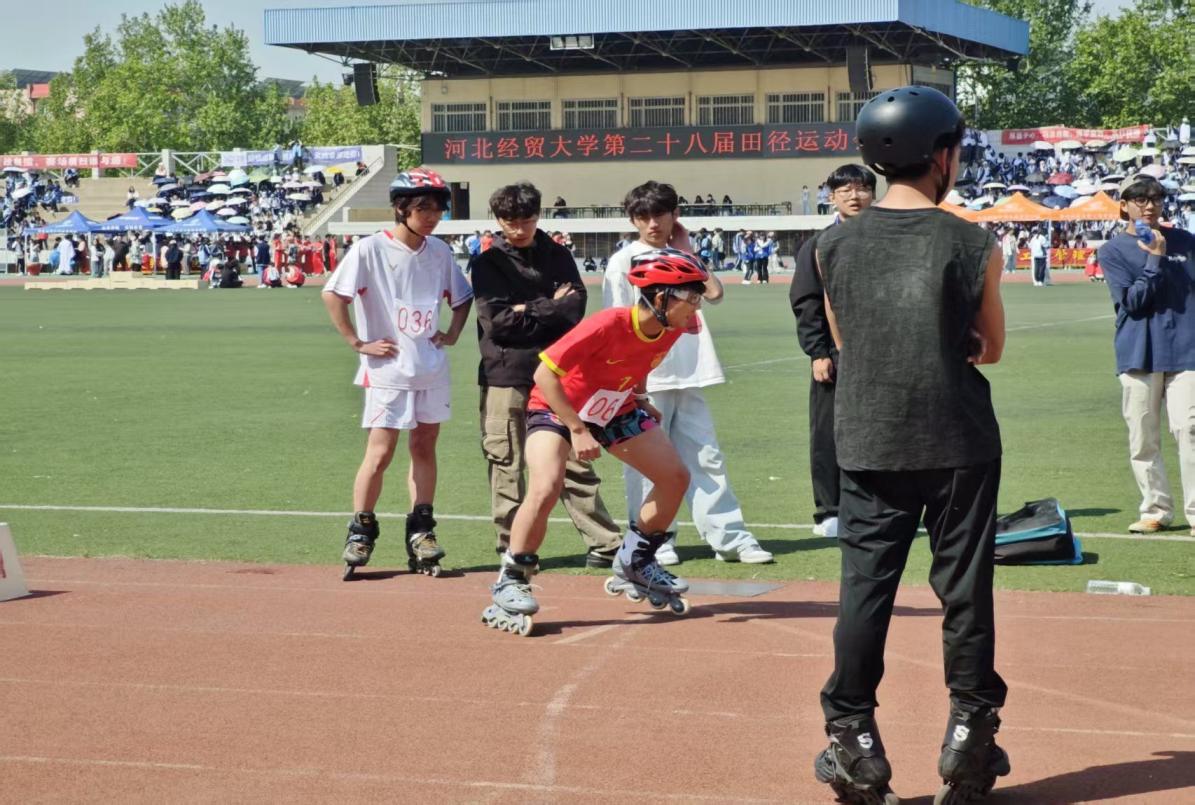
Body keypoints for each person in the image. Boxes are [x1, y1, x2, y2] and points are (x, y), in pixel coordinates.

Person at [812, 86, 1009, 804]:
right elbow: (991, 346)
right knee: (964, 590)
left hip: (868, 436)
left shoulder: (831, 244)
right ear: (941, 155)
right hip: (958, 437)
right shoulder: (972, 241)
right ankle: (970, 733)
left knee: (865, 590)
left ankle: (853, 736)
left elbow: (845, 339)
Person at [481, 248, 707, 636]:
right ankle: (512, 577)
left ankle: (636, 560)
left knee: (674, 477)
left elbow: (642, 360)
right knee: (546, 486)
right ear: (659, 298)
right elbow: (544, 375)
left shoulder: (675, 327)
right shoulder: (607, 324)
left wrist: (640, 397)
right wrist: (577, 429)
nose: (696, 305)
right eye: (690, 296)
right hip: (558, 408)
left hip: (614, 407)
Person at [604, 181, 772, 565]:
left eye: (659, 214)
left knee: (707, 457)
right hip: (647, 378)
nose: (652, 224)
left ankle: (730, 537)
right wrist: (630, 383)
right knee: (647, 463)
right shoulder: (623, 261)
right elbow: (616, 323)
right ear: (632, 220)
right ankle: (653, 539)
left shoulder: (684, 256)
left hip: (691, 370)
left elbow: (714, 293)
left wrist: (686, 250)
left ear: (674, 215)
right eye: (643, 216)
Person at [322, 167, 473, 580]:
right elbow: (334, 294)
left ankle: (421, 530)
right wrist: (357, 342)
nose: (432, 217)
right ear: (401, 208)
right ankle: (361, 530)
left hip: (431, 368)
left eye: (437, 209)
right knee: (381, 452)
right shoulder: (370, 249)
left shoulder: (439, 252)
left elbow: (462, 297)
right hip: (388, 369)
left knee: (424, 447)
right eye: (423, 209)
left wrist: (452, 333)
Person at [470, 181, 624, 567]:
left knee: (574, 459)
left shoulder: (558, 254)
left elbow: (575, 310)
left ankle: (605, 543)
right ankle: (513, 548)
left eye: (526, 220)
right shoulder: (487, 263)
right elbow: (498, 324)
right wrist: (547, 307)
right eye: (510, 221)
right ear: (497, 219)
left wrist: (525, 309)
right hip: (506, 375)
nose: (518, 228)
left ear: (538, 216)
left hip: (557, 373)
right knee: (506, 462)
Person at [1099, 175, 1195, 536]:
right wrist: (1155, 257)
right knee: (1143, 436)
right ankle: (1156, 508)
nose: (1150, 205)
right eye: (1140, 198)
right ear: (1124, 205)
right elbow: (1133, 302)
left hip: (1187, 350)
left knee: (1190, 428)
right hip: (1138, 352)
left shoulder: (1186, 242)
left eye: (1156, 197)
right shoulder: (1112, 251)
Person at [790, 164, 877, 540]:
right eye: (845, 191)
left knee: (882, 428)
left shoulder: (887, 240)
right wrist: (818, 352)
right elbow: (806, 301)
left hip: (883, 352)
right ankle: (830, 509)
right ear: (832, 197)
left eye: (862, 189)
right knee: (828, 432)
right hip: (835, 355)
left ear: (874, 194)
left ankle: (876, 504)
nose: (854, 196)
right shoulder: (818, 245)